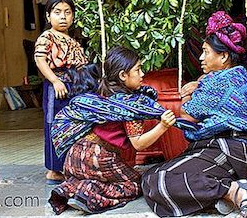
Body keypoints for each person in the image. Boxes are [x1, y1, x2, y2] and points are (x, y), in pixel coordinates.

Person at [142, 11, 247, 218]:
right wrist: (198, 85)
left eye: (206, 52)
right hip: (231, 151)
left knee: (160, 181)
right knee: (151, 176)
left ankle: (231, 191)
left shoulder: (219, 82)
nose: (200, 57)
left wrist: (188, 94)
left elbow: (188, 115)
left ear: (223, 56)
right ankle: (222, 194)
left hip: (228, 150)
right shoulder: (236, 76)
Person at [49, 46, 177, 214]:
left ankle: (69, 189)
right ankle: (89, 194)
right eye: (138, 70)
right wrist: (163, 126)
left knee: (96, 176)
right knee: (137, 184)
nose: (142, 74)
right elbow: (138, 144)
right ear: (123, 75)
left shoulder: (103, 93)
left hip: (73, 157)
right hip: (98, 158)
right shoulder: (131, 106)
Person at [34, 0, 87, 184]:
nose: (63, 17)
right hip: (56, 86)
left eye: (67, 12)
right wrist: (55, 81)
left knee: (72, 125)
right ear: (48, 16)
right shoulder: (46, 37)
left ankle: (69, 166)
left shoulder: (72, 40)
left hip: (74, 85)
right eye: (57, 12)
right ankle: (54, 170)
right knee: (54, 125)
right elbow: (40, 60)